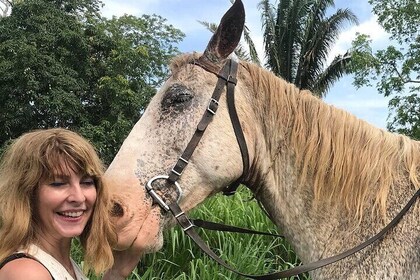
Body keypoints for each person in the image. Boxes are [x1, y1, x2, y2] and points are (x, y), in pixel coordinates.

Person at [0, 128, 140, 280]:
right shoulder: (27, 273)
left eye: (87, 182)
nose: (79, 197)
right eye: (58, 183)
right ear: (27, 193)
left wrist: (116, 273)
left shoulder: (59, 264)